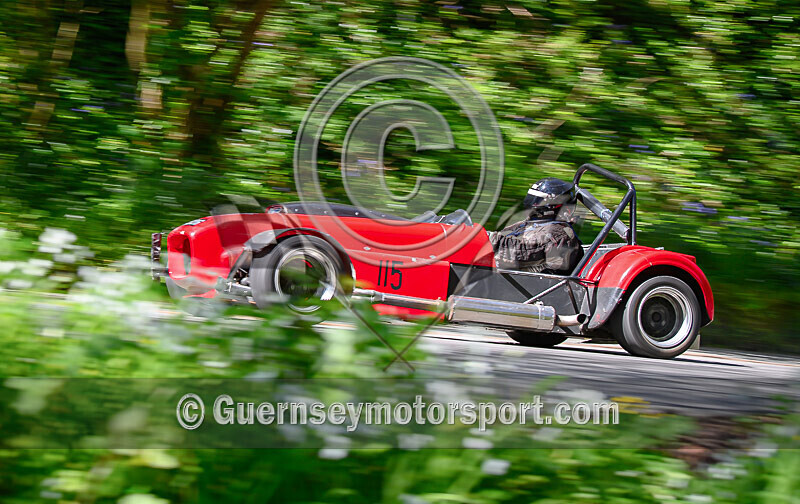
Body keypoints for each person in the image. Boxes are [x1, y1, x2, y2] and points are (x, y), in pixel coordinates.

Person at [489, 177, 583, 274]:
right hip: (503, 276)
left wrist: (489, 239)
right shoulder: (528, 224)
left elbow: (522, 251)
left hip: (529, 285)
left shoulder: (558, 233)